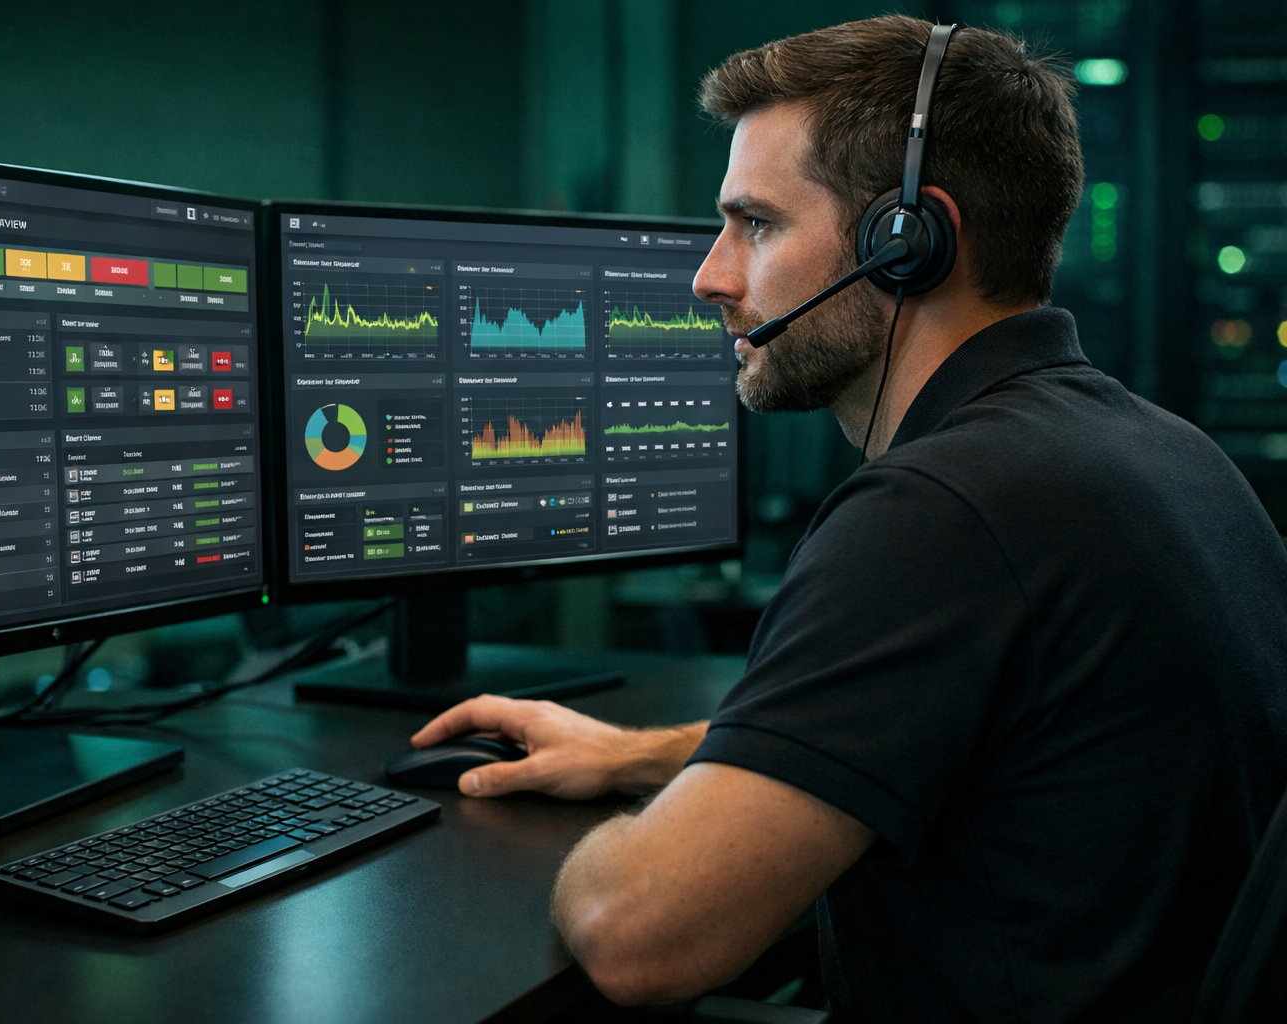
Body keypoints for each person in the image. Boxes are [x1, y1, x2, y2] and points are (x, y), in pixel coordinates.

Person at [411, 15, 1287, 1022]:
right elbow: (982, 733)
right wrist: (653, 755)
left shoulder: (940, 512)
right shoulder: (1161, 452)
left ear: (907, 242)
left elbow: (634, 932)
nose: (711, 277)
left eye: (759, 224)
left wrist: (596, 852)